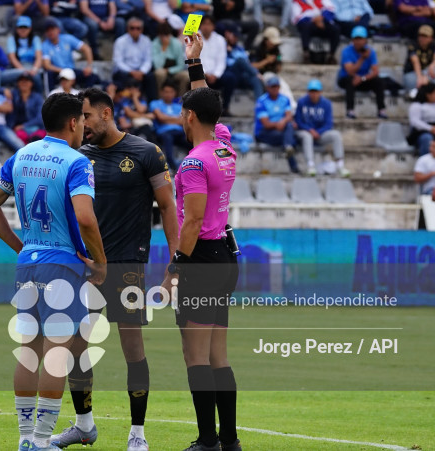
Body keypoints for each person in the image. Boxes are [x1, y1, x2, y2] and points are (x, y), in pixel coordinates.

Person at [50, 87, 178, 451]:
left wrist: (175, 264)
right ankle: (84, 426)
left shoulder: (146, 152)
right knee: (76, 347)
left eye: (87, 116)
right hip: (87, 267)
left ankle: (138, 434)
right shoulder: (78, 156)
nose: (82, 124)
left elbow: (168, 208)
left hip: (127, 267)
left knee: (132, 349)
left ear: (106, 113)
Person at [0, 92, 106, 451]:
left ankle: (24, 437)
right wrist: (101, 261)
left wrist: (22, 248)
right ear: (73, 123)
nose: (83, 125)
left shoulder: (20, 155)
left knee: (29, 350)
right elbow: (84, 217)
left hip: (28, 263)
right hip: (62, 264)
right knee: (57, 350)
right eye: (82, 119)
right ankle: (42, 439)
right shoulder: (77, 162)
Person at [171, 32, 240, 451]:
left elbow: (192, 219)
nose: (181, 118)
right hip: (226, 256)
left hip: (201, 258)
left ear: (189, 118)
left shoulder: (194, 162)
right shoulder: (225, 147)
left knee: (194, 355)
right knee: (219, 354)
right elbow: (207, 106)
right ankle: (228, 439)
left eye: (183, 113)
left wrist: (176, 264)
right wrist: (193, 64)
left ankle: (207, 440)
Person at [295, 79, 349, 177]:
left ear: (320, 92)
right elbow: (298, 121)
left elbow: (329, 123)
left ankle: (340, 164)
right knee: (307, 136)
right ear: (308, 92)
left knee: (336, 135)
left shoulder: (326, 104)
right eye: (311, 91)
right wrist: (309, 130)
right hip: (305, 132)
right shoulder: (302, 102)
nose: (314, 94)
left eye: (316, 91)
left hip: (320, 134)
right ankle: (310, 165)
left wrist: (318, 132)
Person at [337, 26, 387, 119]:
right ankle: (350, 110)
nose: (358, 42)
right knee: (350, 80)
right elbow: (349, 70)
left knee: (379, 81)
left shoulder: (371, 52)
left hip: (362, 79)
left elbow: (375, 71)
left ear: (365, 40)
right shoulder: (346, 51)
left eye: (361, 39)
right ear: (352, 40)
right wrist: (362, 58)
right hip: (347, 78)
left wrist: (362, 78)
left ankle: (381, 110)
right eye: (356, 39)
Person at [255, 74, 298, 172]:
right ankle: (290, 149)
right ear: (267, 88)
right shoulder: (261, 101)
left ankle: (288, 148)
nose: (275, 89)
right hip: (264, 132)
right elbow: (265, 124)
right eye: (272, 87)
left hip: (281, 129)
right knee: (290, 137)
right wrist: (279, 124)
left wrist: (283, 122)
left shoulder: (285, 99)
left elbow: (289, 115)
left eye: (276, 86)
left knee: (289, 128)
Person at [42, 18, 97, 89]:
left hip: (71, 70)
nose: (50, 32)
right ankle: (50, 97)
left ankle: (86, 97)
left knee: (91, 76)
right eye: (48, 30)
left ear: (58, 30)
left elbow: (87, 48)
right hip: (57, 72)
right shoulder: (45, 45)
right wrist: (63, 71)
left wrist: (89, 66)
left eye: (52, 29)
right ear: (45, 33)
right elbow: (47, 65)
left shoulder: (67, 38)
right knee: (48, 74)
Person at [198, 15, 236, 116]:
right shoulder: (193, 38)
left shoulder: (220, 39)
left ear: (213, 26)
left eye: (209, 24)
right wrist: (204, 74)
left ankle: (225, 108)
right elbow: (192, 58)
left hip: (215, 75)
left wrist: (216, 75)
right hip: (200, 73)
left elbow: (221, 60)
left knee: (230, 78)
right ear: (200, 26)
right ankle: (198, 110)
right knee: (193, 78)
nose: (206, 26)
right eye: (204, 24)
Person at [112, 17, 157, 101]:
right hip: (125, 72)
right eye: (132, 28)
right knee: (120, 76)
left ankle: (152, 105)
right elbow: (118, 61)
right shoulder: (120, 41)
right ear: (127, 29)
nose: (135, 30)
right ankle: (122, 105)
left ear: (142, 29)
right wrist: (131, 72)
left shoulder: (146, 41)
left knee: (151, 77)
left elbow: (148, 60)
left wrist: (142, 71)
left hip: (141, 72)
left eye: (138, 28)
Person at [149, 81, 188, 171]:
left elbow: (183, 121)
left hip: (179, 132)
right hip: (163, 132)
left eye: (171, 92)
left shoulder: (179, 106)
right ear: (161, 92)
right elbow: (160, 118)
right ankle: (173, 167)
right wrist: (176, 119)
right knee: (168, 138)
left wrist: (167, 118)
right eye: (166, 91)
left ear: (175, 93)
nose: (168, 94)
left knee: (192, 138)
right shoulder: (155, 103)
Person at [221, 21, 264, 100]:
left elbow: (246, 63)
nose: (236, 38)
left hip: (243, 75)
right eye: (234, 35)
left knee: (255, 79)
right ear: (227, 33)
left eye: (237, 36)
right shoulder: (221, 45)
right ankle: (257, 73)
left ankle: (260, 106)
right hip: (229, 73)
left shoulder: (240, 48)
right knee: (240, 61)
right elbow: (229, 63)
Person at [1, 16, 44, 92]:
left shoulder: (35, 39)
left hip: (32, 67)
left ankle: (40, 97)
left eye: (25, 27)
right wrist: (23, 70)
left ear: (30, 29)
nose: (23, 30)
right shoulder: (12, 39)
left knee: (36, 76)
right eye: (21, 27)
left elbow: (39, 57)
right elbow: (12, 58)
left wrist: (34, 69)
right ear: (17, 29)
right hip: (17, 68)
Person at [291, 0, 340, 64]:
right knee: (306, 27)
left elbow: (331, 9)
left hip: (323, 22)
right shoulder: (297, 1)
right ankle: (306, 54)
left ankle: (331, 55)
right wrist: (314, 20)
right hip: (309, 23)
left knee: (336, 28)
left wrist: (322, 18)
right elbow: (296, 18)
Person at [152, 22, 190, 96]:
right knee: (159, 73)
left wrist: (169, 70)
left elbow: (181, 65)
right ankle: (161, 99)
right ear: (158, 35)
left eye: (166, 35)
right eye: (162, 35)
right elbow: (157, 66)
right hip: (162, 70)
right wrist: (164, 48)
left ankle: (180, 99)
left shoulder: (177, 44)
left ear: (170, 34)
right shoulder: (155, 44)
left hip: (174, 70)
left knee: (186, 76)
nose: (164, 38)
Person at [403, 24, 435, 95]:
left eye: (425, 36)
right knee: (434, 81)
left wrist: (432, 66)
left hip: (428, 73)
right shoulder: (412, 44)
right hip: (413, 74)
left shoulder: (434, 44)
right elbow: (415, 62)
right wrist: (420, 77)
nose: (422, 38)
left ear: (431, 38)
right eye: (420, 35)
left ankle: (432, 97)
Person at [12, 73, 47, 143]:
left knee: (37, 138)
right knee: (20, 138)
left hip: (36, 127)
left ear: (32, 83)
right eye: (21, 81)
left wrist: (23, 126)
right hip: (19, 129)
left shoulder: (37, 97)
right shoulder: (13, 95)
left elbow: (40, 118)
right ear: (18, 83)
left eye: (27, 81)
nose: (24, 83)